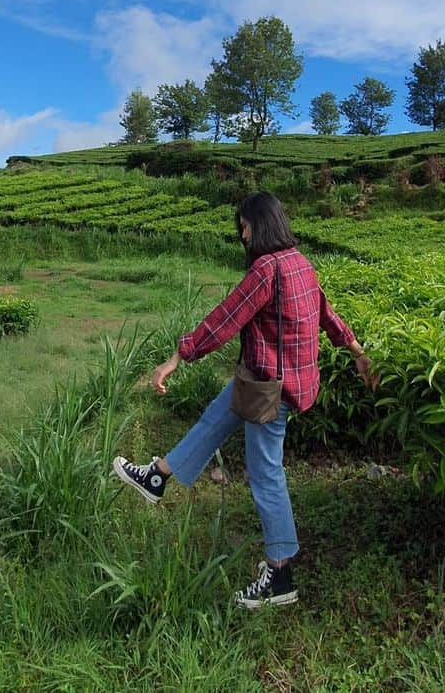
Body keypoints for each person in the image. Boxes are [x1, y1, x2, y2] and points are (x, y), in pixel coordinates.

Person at [113, 190, 377, 609]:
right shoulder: (301, 264)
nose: (243, 235)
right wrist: (358, 353)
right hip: (274, 381)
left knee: (265, 475)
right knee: (215, 418)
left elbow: (225, 318)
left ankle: (280, 573)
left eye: (244, 227)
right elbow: (329, 316)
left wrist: (176, 358)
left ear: (257, 226)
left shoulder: (267, 269)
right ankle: (158, 476)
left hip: (270, 390)